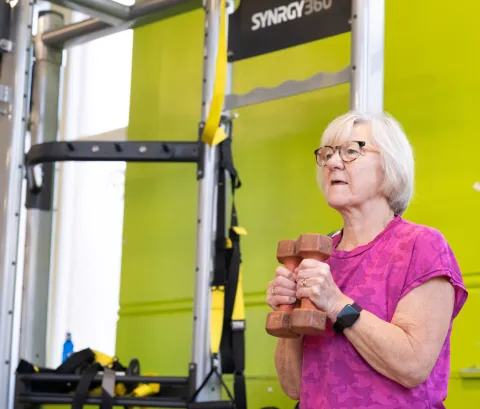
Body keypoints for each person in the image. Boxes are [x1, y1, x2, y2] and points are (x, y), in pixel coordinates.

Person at [266, 111, 468, 409]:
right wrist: (289, 315)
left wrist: (336, 304)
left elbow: (412, 366)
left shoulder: (422, 245)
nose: (333, 162)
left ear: (390, 166)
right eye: (327, 154)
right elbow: (293, 386)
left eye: (351, 151)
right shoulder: (319, 258)